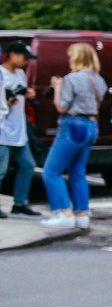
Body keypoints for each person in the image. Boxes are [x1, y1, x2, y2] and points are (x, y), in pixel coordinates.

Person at [38, 43, 108, 230]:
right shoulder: (99, 80)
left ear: (78, 58)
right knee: (78, 172)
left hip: (73, 125)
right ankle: (81, 215)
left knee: (51, 171)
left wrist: (57, 87)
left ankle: (64, 213)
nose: (69, 60)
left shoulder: (72, 79)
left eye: (71, 56)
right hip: (91, 126)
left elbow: (61, 107)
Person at [0, 42, 42, 218]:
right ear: (12, 55)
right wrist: (8, 101)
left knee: (28, 165)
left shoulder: (20, 74)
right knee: (1, 170)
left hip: (19, 130)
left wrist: (27, 94)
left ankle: (20, 203)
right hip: (2, 130)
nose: (26, 62)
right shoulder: (1, 74)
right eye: (25, 57)